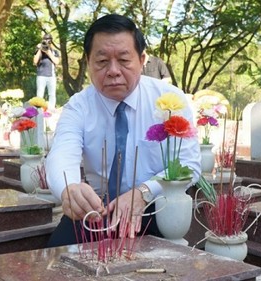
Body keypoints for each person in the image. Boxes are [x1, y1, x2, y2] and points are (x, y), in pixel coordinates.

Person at [45, 14, 200, 247]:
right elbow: (62, 154)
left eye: (124, 60)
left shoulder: (169, 100)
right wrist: (69, 190)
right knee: (56, 258)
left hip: (156, 204)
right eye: (102, 61)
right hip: (97, 209)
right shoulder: (79, 106)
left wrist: (144, 192)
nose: (113, 71)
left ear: (142, 59)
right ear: (88, 62)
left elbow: (189, 162)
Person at [33, 34, 60, 111]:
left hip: (51, 76)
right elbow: (35, 61)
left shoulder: (54, 51)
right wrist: (39, 49)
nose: (47, 43)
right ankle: (39, 111)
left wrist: (48, 52)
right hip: (41, 76)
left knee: (52, 95)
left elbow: (57, 61)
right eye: (45, 40)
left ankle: (51, 111)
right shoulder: (39, 50)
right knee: (39, 95)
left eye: (49, 41)